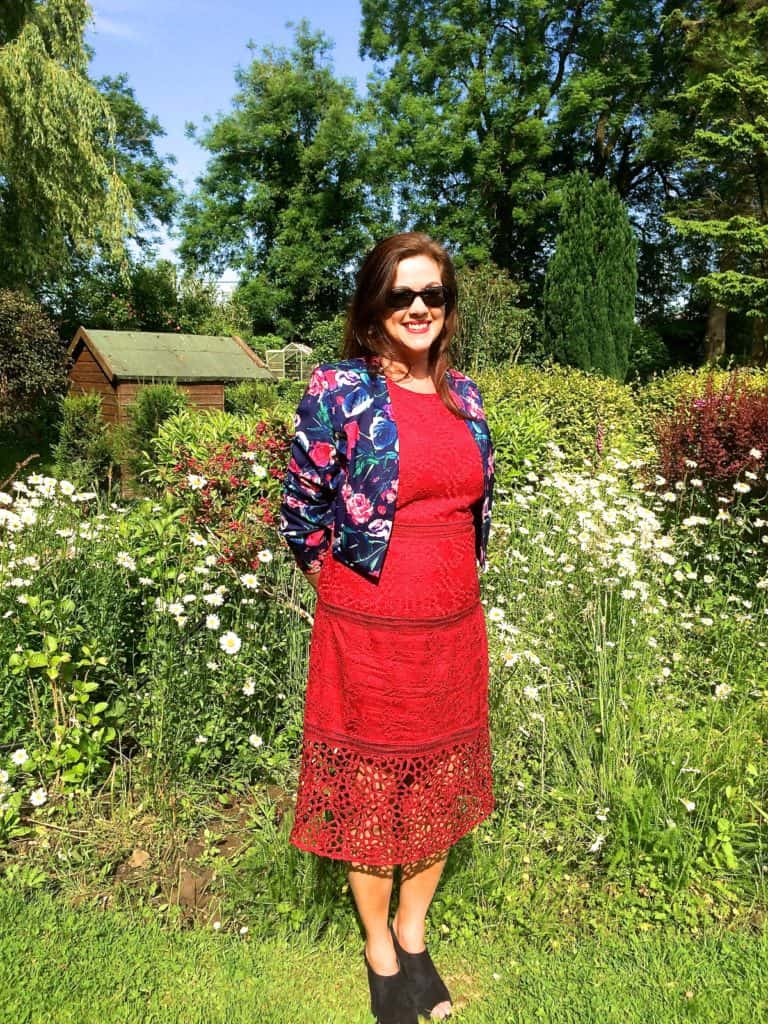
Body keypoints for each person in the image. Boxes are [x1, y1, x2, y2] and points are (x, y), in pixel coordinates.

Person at [278, 232, 495, 1024]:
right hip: (365, 629)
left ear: (448, 307)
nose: (417, 308)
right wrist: (346, 598)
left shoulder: (464, 396)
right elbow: (300, 517)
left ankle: (413, 930)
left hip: (452, 628)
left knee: (439, 782)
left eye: (431, 294)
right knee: (370, 788)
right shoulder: (339, 390)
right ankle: (378, 947)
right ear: (375, 304)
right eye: (401, 294)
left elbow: (470, 511)